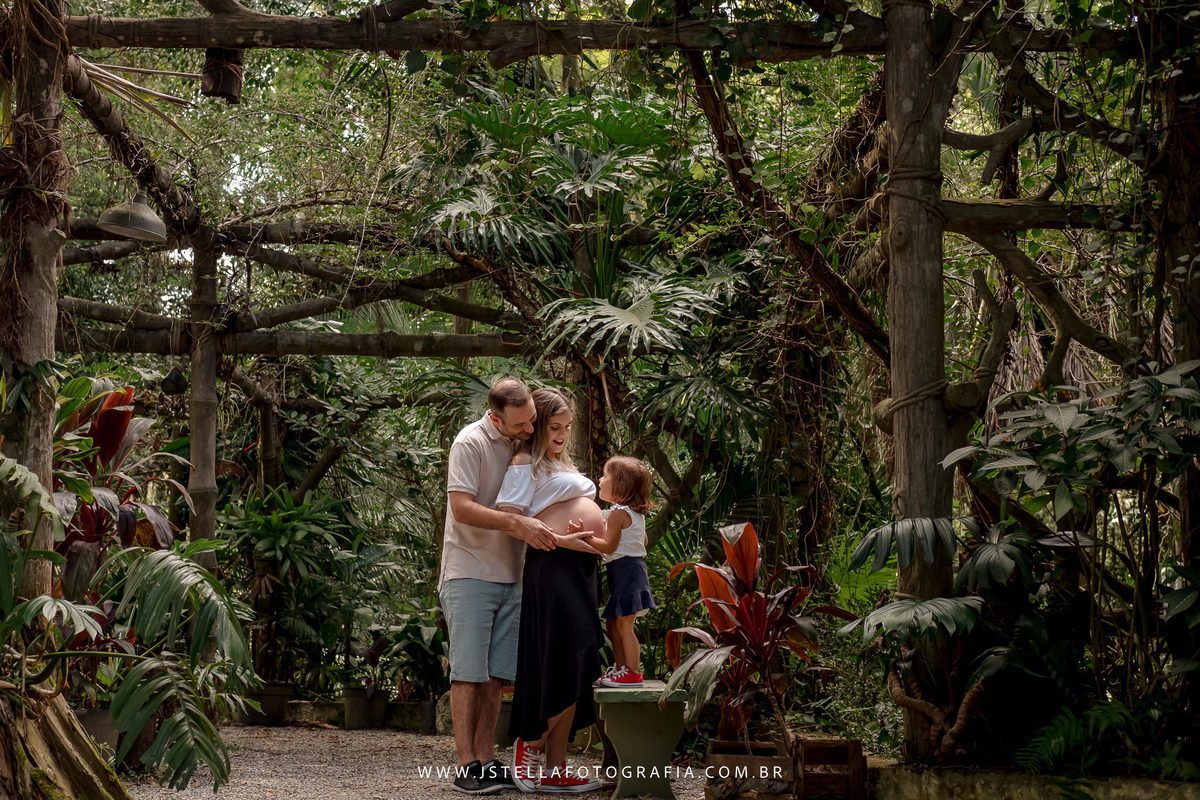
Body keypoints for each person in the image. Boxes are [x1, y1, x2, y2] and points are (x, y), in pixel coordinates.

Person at [439, 378, 560, 795]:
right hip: (469, 570)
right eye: (522, 424)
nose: (531, 429)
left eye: (532, 420)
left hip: (513, 573)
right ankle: (464, 765)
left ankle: (487, 760)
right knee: (468, 673)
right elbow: (461, 508)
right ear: (495, 417)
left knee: (495, 676)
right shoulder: (469, 443)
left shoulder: (522, 442)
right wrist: (515, 523)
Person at [494, 387, 606, 793]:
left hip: (581, 569)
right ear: (538, 426)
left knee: (579, 660)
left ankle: (557, 767)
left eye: (567, 427)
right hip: (552, 568)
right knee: (559, 658)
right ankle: (530, 746)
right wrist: (564, 541)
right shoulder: (525, 462)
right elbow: (511, 519)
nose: (562, 434)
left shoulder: (563, 464)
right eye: (555, 427)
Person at [587, 456, 656, 687]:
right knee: (613, 624)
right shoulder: (635, 514)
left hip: (627, 573)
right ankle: (620, 668)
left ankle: (632, 673)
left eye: (606, 476)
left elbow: (608, 546)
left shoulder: (618, 513)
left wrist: (585, 537)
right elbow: (643, 540)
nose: (600, 479)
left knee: (625, 625)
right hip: (629, 572)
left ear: (621, 486)